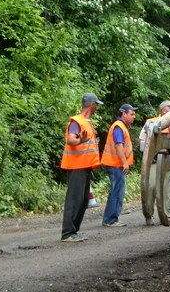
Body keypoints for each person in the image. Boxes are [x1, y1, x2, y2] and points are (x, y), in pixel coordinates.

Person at [60, 92, 103, 242]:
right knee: (74, 199)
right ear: (92, 105)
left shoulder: (86, 122)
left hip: (84, 166)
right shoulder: (76, 121)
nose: (97, 107)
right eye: (96, 105)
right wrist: (80, 140)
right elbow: (71, 140)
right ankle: (67, 233)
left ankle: (73, 231)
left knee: (83, 200)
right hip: (77, 166)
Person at [139, 100, 170, 226]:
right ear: (163, 110)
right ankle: (148, 215)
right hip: (154, 161)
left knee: (169, 189)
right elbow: (141, 140)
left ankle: (166, 215)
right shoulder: (151, 122)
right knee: (150, 186)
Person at [101, 103, 138, 227]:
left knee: (117, 191)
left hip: (116, 164)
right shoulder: (119, 127)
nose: (134, 117)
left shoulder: (121, 126)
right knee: (116, 191)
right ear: (124, 114)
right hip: (116, 164)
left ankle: (112, 218)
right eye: (131, 114)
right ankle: (110, 219)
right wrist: (124, 163)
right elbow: (118, 145)